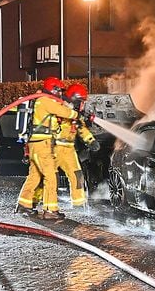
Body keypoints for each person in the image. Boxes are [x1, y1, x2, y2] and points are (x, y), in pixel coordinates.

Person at [15, 76, 78, 220]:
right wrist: (75, 112)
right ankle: (50, 210)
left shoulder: (39, 100)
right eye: (59, 91)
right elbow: (65, 112)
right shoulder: (45, 101)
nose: (61, 94)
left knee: (35, 176)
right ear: (53, 89)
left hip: (36, 145)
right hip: (42, 145)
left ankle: (24, 205)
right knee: (51, 177)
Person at [50, 82, 99, 209]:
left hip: (69, 149)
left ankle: (79, 204)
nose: (83, 105)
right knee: (48, 177)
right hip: (53, 148)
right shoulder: (59, 108)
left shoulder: (76, 114)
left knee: (77, 176)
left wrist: (91, 141)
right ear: (74, 99)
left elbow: (81, 129)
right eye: (81, 101)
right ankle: (36, 201)